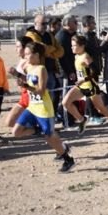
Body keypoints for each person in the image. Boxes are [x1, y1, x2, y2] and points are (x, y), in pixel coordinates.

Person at [11, 42, 75, 172]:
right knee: (16, 132)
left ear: (37, 55)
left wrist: (26, 86)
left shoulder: (42, 69)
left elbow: (40, 90)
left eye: (28, 54)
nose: (25, 56)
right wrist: (18, 75)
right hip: (32, 107)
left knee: (50, 137)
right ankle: (37, 130)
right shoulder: (28, 67)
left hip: (43, 109)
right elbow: (27, 78)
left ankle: (68, 159)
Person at [61, 35, 108, 138]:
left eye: (74, 46)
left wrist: (84, 79)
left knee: (101, 109)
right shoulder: (77, 56)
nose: (72, 48)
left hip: (90, 86)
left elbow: (95, 71)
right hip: (81, 87)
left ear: (81, 46)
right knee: (65, 102)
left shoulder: (85, 57)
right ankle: (82, 120)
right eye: (71, 45)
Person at [25, 14, 65, 119]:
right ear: (35, 24)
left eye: (46, 23)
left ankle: (49, 118)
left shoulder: (49, 35)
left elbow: (60, 51)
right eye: (42, 24)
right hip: (37, 72)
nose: (45, 26)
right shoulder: (31, 35)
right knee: (39, 99)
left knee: (51, 97)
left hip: (50, 71)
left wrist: (49, 51)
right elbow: (41, 49)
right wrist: (51, 49)